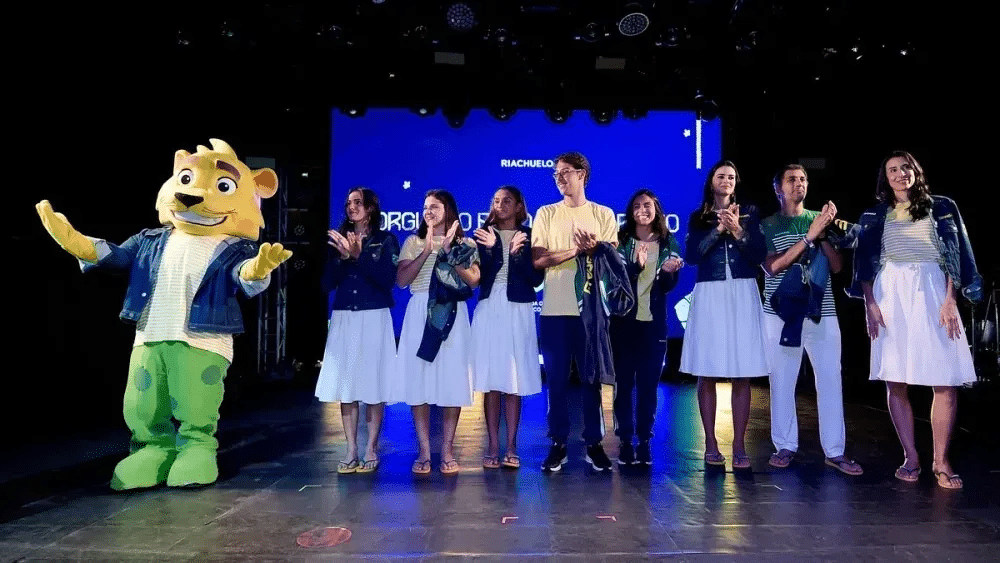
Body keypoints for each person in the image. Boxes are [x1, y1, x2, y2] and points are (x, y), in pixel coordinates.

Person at [851, 151, 982, 489]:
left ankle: (941, 460)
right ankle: (911, 456)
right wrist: (870, 304)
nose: (899, 174)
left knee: (945, 378)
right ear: (885, 178)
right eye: (892, 169)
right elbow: (864, 262)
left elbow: (955, 253)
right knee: (896, 378)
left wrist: (950, 299)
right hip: (890, 292)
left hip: (933, 289)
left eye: (905, 167)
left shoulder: (942, 206)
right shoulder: (875, 214)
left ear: (915, 171)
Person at [760, 166, 863, 475]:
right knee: (782, 380)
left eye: (803, 179)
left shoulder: (820, 219)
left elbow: (835, 267)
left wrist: (826, 232)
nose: (799, 184)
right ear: (778, 187)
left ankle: (835, 450)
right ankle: (785, 445)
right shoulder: (767, 224)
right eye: (791, 179)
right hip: (780, 313)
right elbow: (771, 268)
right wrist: (809, 237)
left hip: (822, 312)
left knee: (830, 379)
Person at [531, 152, 619, 472]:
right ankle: (558, 444)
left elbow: (612, 262)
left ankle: (594, 443)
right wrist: (576, 250)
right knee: (555, 379)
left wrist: (596, 250)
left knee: (591, 380)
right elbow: (538, 260)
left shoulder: (603, 214)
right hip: (554, 310)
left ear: (582, 174)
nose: (559, 178)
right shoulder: (545, 213)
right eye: (556, 173)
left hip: (591, 312)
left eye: (566, 172)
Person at [679, 160, 767, 470]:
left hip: (742, 291)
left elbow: (759, 256)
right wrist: (719, 228)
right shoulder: (698, 216)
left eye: (731, 176)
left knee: (742, 371)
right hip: (711, 293)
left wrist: (739, 230)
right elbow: (691, 256)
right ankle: (711, 443)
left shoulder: (751, 213)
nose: (727, 180)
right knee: (708, 369)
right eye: (721, 176)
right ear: (712, 181)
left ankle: (740, 445)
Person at [395, 189, 480, 475]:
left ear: (449, 210)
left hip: (451, 312)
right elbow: (402, 281)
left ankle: (446, 450)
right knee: (418, 383)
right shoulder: (413, 241)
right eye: (425, 206)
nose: (428, 211)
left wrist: (449, 253)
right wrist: (427, 251)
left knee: (452, 382)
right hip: (419, 312)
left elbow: (474, 280)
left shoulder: (465, 243)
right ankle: (423, 451)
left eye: (435, 206)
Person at [316, 187, 400, 474]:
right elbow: (326, 284)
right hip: (345, 316)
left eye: (357, 202)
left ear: (370, 208)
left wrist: (359, 255)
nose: (351, 207)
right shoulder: (336, 240)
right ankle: (351, 449)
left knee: (373, 384)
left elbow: (387, 281)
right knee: (347, 386)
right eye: (349, 202)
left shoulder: (386, 240)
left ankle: (370, 448)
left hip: (374, 316)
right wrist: (342, 258)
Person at [471, 186, 544, 470]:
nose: (500, 205)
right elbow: (480, 277)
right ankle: (492, 444)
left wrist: (514, 254)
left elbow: (535, 279)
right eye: (496, 200)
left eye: (507, 201)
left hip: (519, 308)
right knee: (491, 381)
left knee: (512, 381)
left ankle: (511, 446)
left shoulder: (530, 235)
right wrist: (492, 250)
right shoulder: (482, 233)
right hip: (491, 307)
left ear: (518, 206)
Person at [611, 189, 683, 466]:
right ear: (631, 212)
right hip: (623, 323)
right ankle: (625, 440)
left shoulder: (667, 241)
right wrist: (635, 266)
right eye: (637, 205)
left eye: (648, 205)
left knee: (649, 386)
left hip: (654, 326)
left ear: (657, 210)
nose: (643, 209)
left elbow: (667, 287)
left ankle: (644, 439)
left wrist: (669, 272)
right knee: (624, 384)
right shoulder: (621, 240)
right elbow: (615, 279)